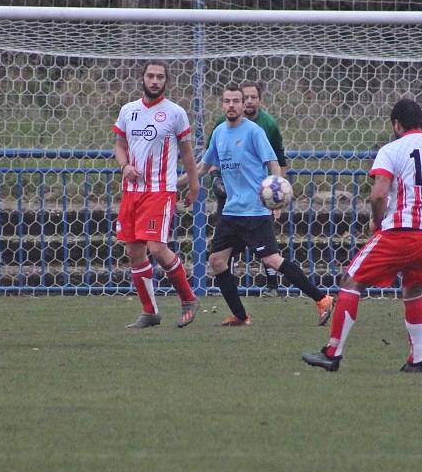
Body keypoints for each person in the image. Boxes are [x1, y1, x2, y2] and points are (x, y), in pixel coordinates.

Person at [302, 98, 422, 373]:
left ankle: (332, 353)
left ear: (396, 124)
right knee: (414, 291)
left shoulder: (391, 149)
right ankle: (416, 361)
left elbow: (379, 194)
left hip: (402, 230)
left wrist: (377, 223)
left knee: (351, 281)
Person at [181, 85, 334, 326]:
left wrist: (275, 194)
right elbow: (201, 167)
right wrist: (173, 183)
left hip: (254, 211)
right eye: (227, 101)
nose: (231, 105)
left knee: (272, 260)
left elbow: (273, 163)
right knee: (217, 261)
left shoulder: (254, 132)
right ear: (222, 105)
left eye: (236, 101)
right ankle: (241, 316)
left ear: (243, 106)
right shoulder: (219, 132)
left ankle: (322, 298)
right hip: (231, 211)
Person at [114, 60, 201, 329]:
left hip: (160, 191)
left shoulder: (175, 113)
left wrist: (194, 185)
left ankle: (188, 298)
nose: (154, 80)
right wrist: (125, 165)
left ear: (166, 81)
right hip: (132, 193)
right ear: (142, 79)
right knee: (134, 251)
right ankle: (150, 312)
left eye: (159, 77)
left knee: (156, 247)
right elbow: (119, 145)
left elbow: (186, 152)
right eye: (150, 76)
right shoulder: (128, 111)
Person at [206, 81, 288, 298]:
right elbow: (213, 158)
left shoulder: (265, 126)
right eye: (228, 101)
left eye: (252, 98)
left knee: (269, 253)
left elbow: (277, 160)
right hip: (231, 197)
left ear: (255, 101)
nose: (249, 101)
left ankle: (273, 285)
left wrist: (277, 193)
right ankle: (232, 297)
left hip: (258, 198)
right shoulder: (220, 126)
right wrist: (215, 178)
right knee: (222, 253)